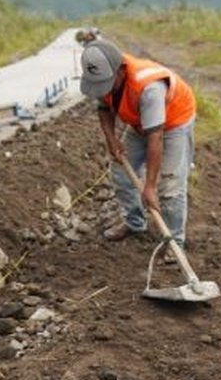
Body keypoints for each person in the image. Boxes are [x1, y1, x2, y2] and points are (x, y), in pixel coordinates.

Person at [78, 39, 196, 253]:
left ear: (121, 71)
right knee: (121, 173)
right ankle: (135, 224)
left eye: (105, 85)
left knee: (170, 186)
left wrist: (149, 186)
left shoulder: (148, 87)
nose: (102, 90)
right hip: (142, 122)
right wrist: (111, 139)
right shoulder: (105, 78)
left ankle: (175, 242)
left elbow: (155, 138)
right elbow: (104, 109)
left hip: (173, 122)